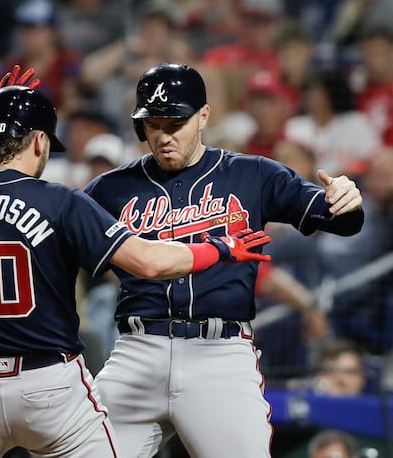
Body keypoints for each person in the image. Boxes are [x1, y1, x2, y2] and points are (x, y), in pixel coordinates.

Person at [0, 67, 272, 458]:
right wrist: (220, 248)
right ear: (40, 142)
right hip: (50, 387)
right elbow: (149, 262)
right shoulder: (60, 201)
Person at [83, 63, 365, 458]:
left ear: (203, 116)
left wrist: (346, 200)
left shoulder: (252, 175)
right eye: (154, 125)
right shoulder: (108, 189)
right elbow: (58, 259)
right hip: (136, 351)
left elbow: (340, 220)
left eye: (176, 122)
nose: (164, 136)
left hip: (219, 355)